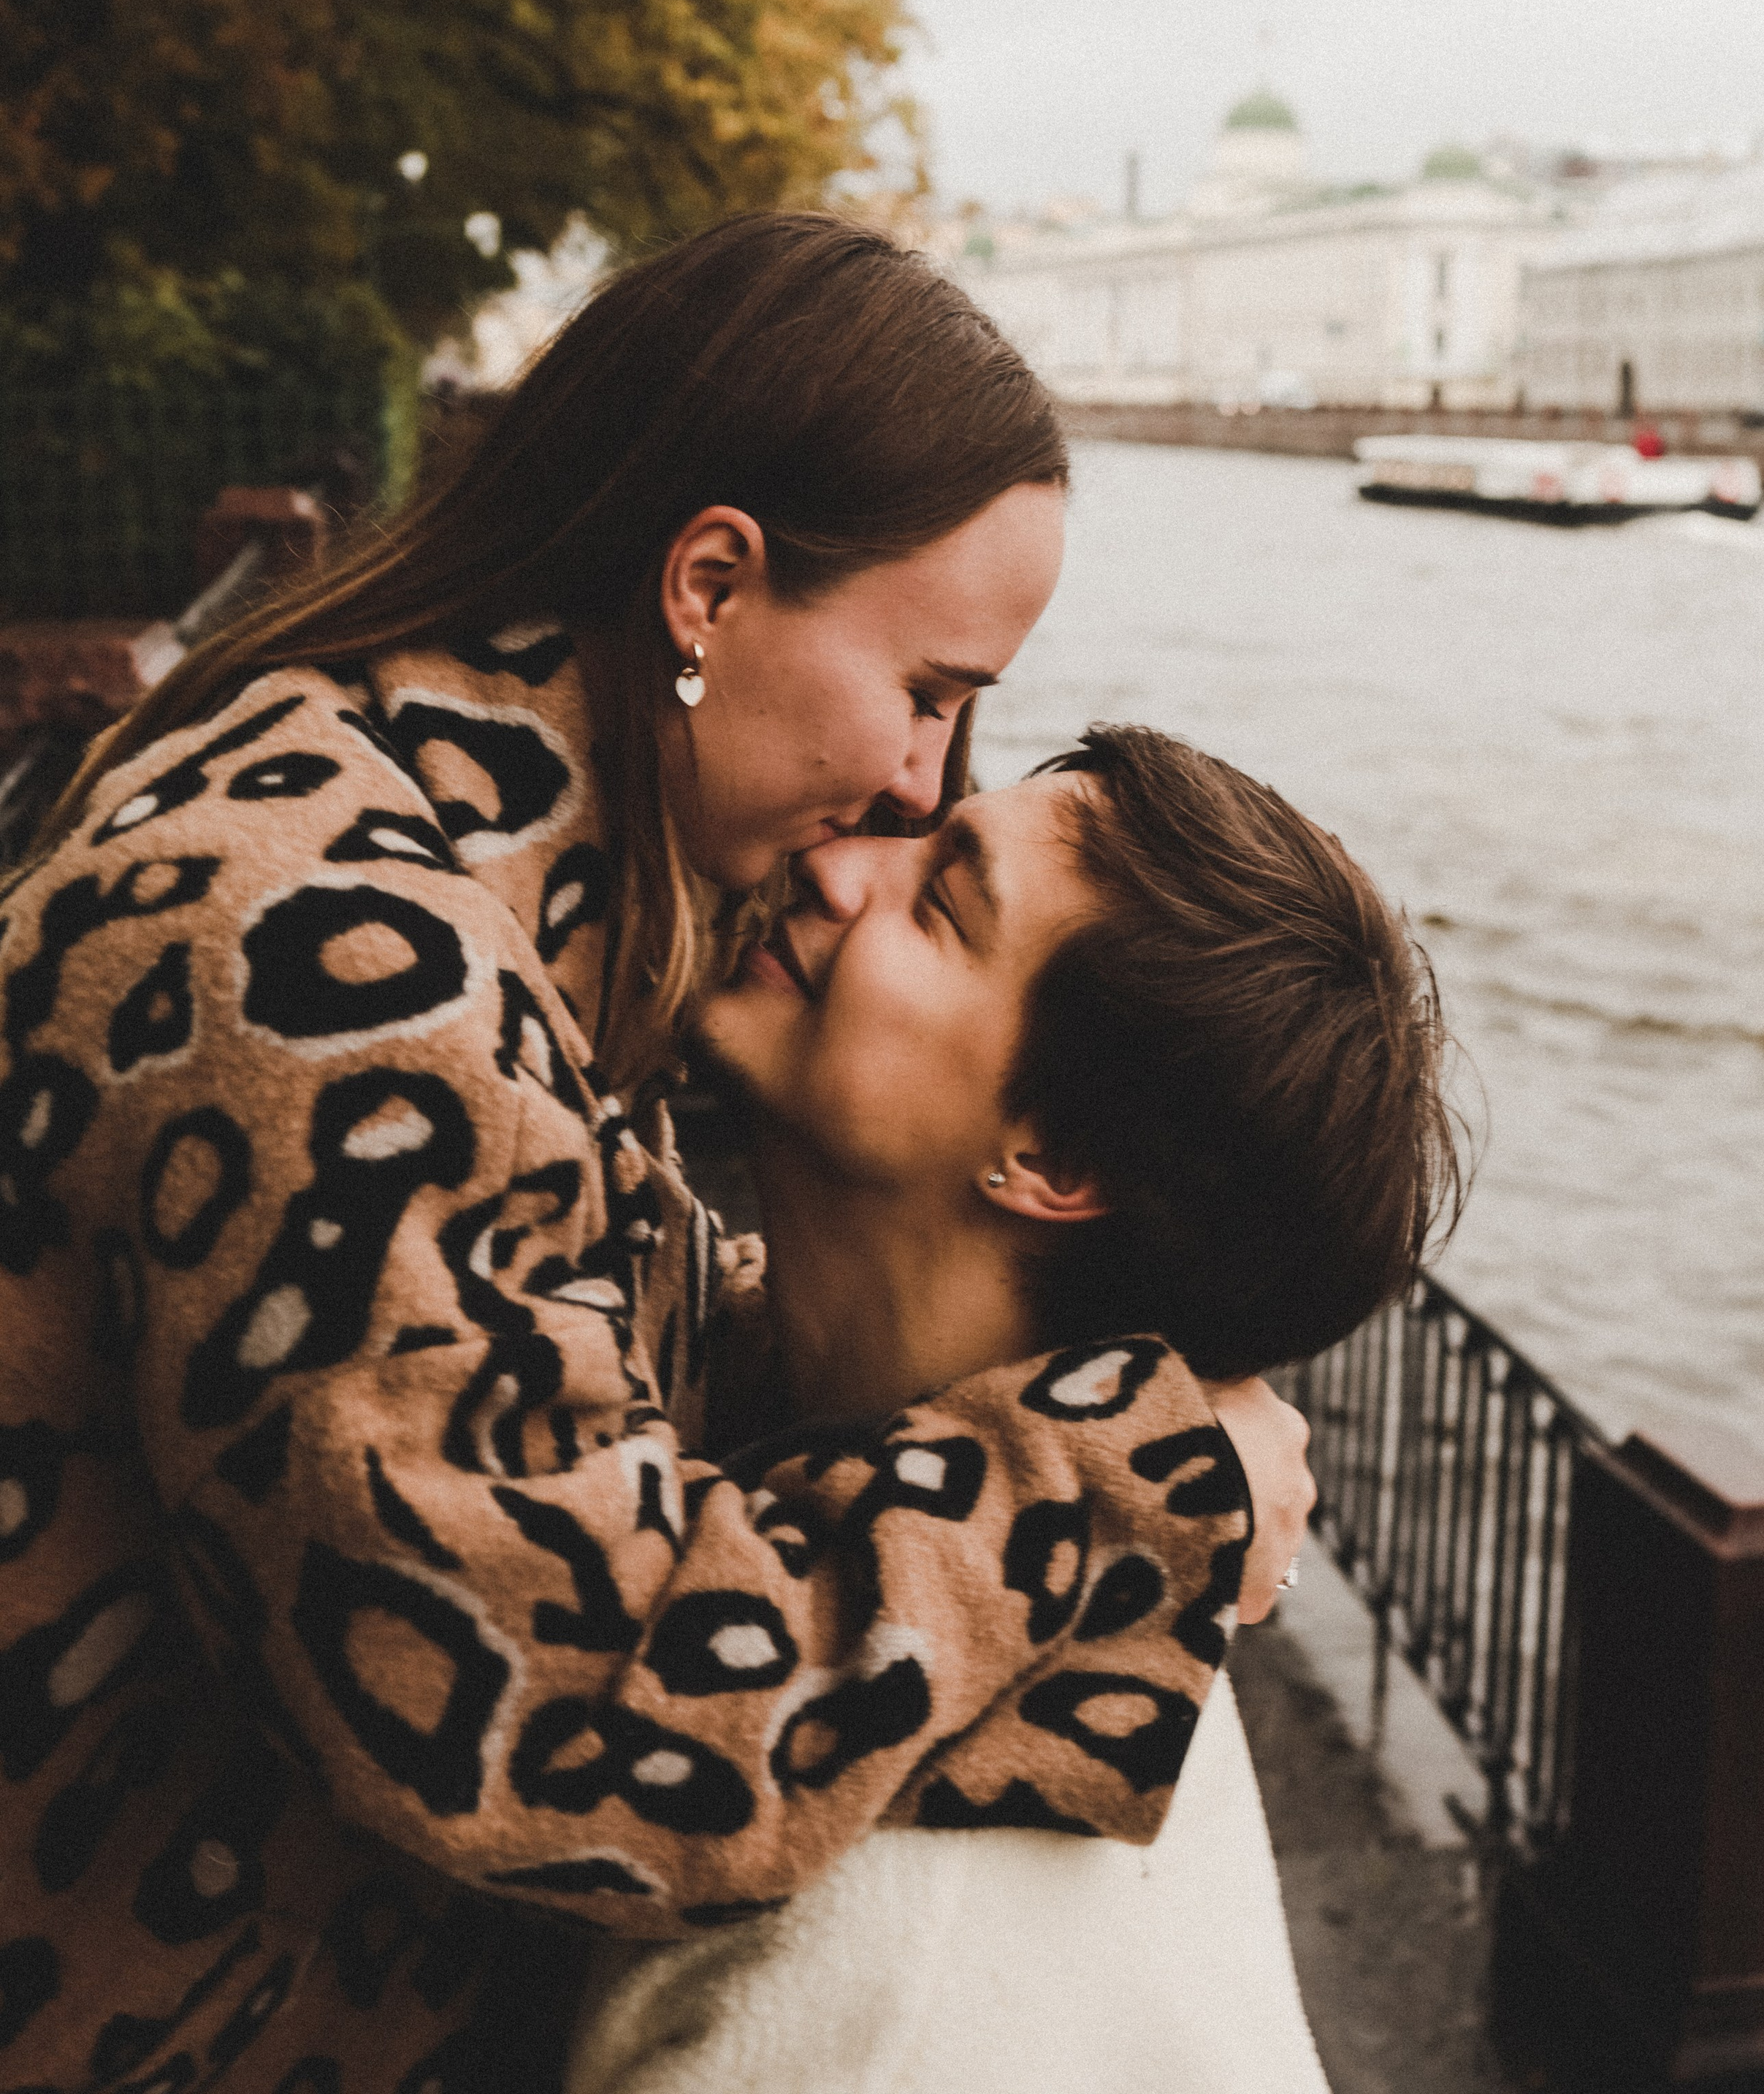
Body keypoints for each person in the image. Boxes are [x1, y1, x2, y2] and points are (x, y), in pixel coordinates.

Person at [0, 216, 1308, 2094]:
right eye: (929, 692)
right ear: (709, 588)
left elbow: (557, 1380)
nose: (932, 781)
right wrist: (1116, 1478)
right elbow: (566, 1719)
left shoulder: (448, 865)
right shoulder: (345, 976)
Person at [569, 723, 1464, 2094]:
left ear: (1048, 1155)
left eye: (939, 902)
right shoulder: (1034, 1584)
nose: (836, 863)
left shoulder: (888, 1962)